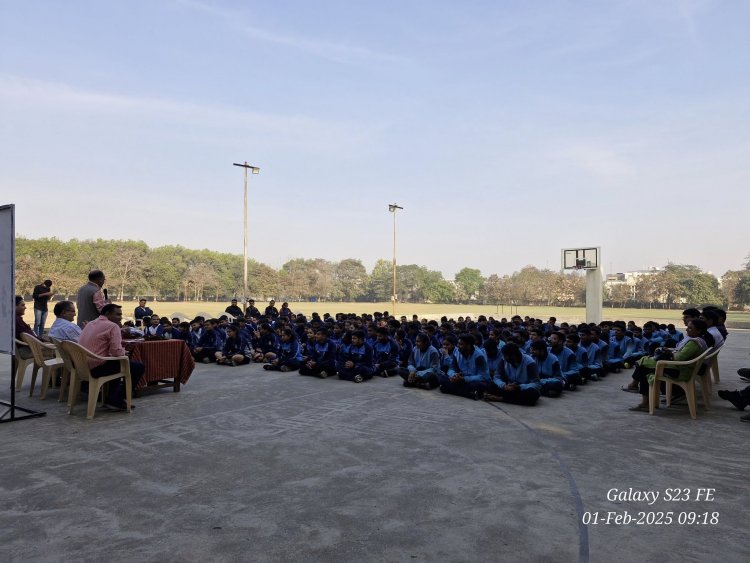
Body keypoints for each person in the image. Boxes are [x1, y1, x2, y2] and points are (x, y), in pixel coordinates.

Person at [627, 319, 714, 412]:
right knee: (644, 367)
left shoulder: (694, 343)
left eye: (690, 328)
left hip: (680, 371)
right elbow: (681, 354)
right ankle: (641, 395)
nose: (687, 329)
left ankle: (642, 397)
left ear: (699, 330)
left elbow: (679, 358)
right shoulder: (700, 341)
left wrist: (669, 354)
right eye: (688, 327)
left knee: (644, 365)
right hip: (683, 368)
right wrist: (670, 351)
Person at [78, 303, 145, 411]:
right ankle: (116, 399)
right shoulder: (113, 326)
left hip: (81, 366)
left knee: (117, 364)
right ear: (108, 314)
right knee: (137, 367)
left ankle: (112, 398)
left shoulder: (91, 323)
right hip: (96, 368)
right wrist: (124, 352)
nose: (120, 317)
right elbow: (116, 352)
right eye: (118, 315)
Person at [484, 342, 541, 406]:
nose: (505, 358)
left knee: (532, 394)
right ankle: (510, 399)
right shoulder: (504, 360)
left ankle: (501, 398)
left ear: (514, 355)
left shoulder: (529, 363)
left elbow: (537, 384)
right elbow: (497, 377)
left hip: (522, 389)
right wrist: (504, 386)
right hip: (508, 387)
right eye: (504, 356)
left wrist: (519, 387)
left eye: (507, 356)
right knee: (490, 385)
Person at [439, 333, 490, 400]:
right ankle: (470, 394)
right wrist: (454, 375)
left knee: (475, 385)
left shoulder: (479, 356)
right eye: (458, 344)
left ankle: (468, 392)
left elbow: (483, 377)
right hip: (460, 379)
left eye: (461, 344)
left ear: (468, 345)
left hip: (473, 380)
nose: (458, 346)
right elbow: (451, 368)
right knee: (442, 378)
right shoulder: (457, 352)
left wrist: (464, 379)